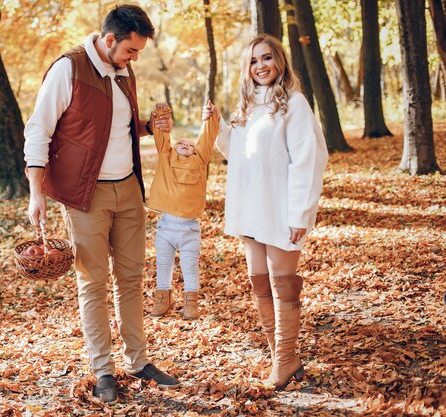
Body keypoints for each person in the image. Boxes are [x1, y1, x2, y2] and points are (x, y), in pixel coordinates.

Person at [23, 4, 180, 404]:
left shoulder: (124, 70)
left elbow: (118, 126)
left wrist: (148, 127)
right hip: (84, 195)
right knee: (93, 282)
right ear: (109, 40)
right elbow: (38, 130)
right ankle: (103, 370)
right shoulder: (68, 69)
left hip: (128, 188)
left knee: (130, 278)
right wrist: (36, 191)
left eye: (138, 52)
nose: (135, 59)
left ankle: (138, 361)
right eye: (131, 50)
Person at [202, 33, 328, 390]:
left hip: (281, 209)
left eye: (267, 58)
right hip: (251, 208)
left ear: (280, 62)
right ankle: (283, 359)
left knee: (281, 284)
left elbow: (311, 159)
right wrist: (217, 126)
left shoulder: (294, 104)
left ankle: (285, 358)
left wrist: (300, 214)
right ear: (248, 67)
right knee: (259, 282)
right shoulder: (246, 107)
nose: (261, 66)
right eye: (255, 60)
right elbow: (236, 153)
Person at [147, 102, 219, 320]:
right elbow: (161, 134)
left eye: (190, 143)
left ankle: (191, 301)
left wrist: (209, 117)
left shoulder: (200, 160)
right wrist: (162, 113)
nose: (186, 144)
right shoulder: (166, 157)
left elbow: (207, 137)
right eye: (180, 143)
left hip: (189, 229)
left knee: (190, 268)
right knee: (163, 265)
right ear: (172, 148)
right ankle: (163, 297)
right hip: (166, 227)